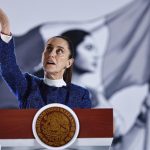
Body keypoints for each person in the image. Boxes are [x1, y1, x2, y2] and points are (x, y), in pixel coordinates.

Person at [0, 8, 91, 109]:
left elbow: (85, 123)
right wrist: (5, 26)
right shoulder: (28, 86)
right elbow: (8, 68)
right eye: (48, 49)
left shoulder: (80, 94)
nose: (51, 54)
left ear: (69, 63)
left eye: (59, 51)